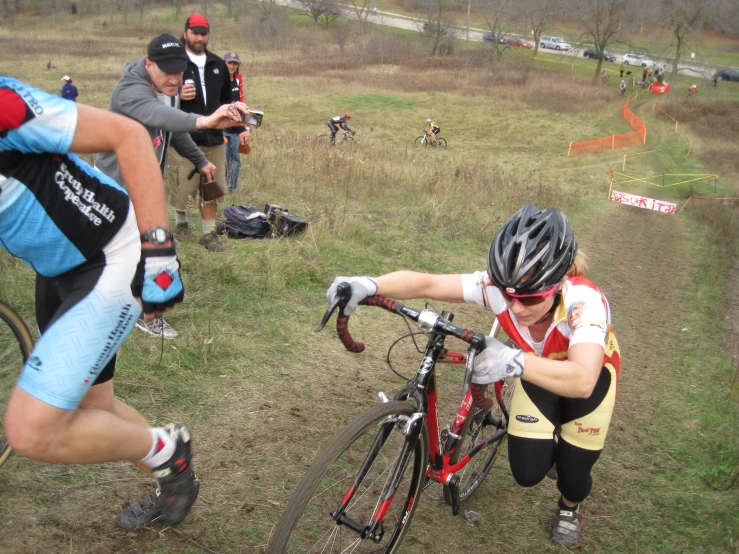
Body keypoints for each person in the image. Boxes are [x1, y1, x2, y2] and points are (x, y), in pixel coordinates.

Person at [326, 203, 620, 547]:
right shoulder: (502, 287)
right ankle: (551, 438)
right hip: (536, 373)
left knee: (573, 474)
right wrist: (369, 283)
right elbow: (429, 283)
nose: (516, 307)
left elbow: (583, 379)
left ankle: (569, 506)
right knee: (527, 473)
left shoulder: (583, 301)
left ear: (559, 283)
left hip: (590, 383)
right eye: (508, 296)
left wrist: (514, 361)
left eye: (530, 298)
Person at [0, 76, 198, 530]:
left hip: (115, 252)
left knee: (31, 431)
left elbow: (127, 135)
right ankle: (173, 476)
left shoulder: (4, 106)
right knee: (94, 408)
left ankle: (167, 450)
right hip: (56, 267)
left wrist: (160, 255)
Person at [95, 33, 248, 338]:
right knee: (140, 251)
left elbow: (172, 128)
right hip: (116, 185)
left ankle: (135, 305)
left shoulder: (169, 88)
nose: (175, 79)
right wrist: (205, 121)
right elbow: (157, 114)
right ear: (149, 64)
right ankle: (143, 314)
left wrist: (200, 161)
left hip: (147, 183)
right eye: (168, 72)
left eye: (180, 71)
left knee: (149, 249)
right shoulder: (130, 89)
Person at [168, 13, 251, 251]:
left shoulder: (218, 65)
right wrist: (176, 95)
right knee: (183, 189)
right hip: (184, 138)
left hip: (215, 139)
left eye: (203, 33)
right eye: (194, 32)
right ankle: (182, 224)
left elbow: (229, 102)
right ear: (185, 33)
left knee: (212, 188)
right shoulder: (174, 63)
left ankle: (208, 235)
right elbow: (158, 98)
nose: (199, 37)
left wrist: (241, 127)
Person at [224, 50, 247, 193]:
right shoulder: (219, 80)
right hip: (222, 127)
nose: (232, 66)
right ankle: (220, 188)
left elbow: (240, 102)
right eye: (229, 63)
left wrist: (244, 125)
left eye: (234, 64)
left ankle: (231, 189)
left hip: (236, 127)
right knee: (222, 160)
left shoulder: (238, 80)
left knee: (236, 159)